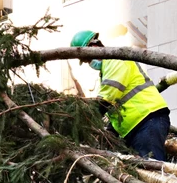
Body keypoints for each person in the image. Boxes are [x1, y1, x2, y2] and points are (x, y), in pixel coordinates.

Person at [70, 29, 171, 160]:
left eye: (87, 59)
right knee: (146, 169)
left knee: (153, 169)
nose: (89, 63)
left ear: (93, 47)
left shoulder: (115, 60)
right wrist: (111, 131)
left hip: (146, 119)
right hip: (140, 124)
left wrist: (83, 118)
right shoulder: (108, 67)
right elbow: (117, 105)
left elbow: (106, 101)